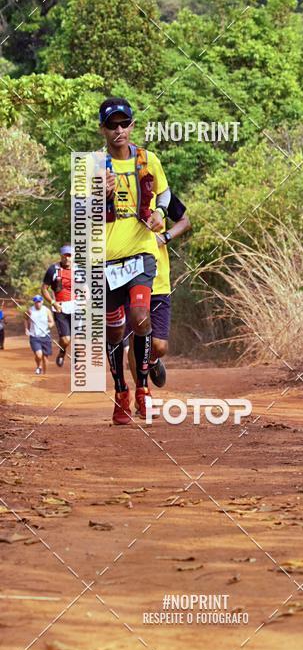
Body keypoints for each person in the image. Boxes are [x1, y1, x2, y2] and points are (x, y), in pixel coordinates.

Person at [99, 97, 170, 425]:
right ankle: (120, 391)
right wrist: (100, 196)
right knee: (114, 333)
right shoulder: (92, 167)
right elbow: (80, 215)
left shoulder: (148, 159)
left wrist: (160, 212)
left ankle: (142, 388)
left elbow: (165, 193)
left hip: (141, 255)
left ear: (132, 125)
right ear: (102, 129)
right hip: (107, 261)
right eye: (112, 125)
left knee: (140, 317)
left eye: (124, 123)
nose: (119, 130)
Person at [126, 193, 191, 389]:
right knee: (135, 337)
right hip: (128, 277)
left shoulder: (161, 194)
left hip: (158, 280)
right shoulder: (120, 194)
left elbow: (185, 221)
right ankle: (142, 393)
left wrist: (165, 237)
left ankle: (153, 360)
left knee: (159, 346)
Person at [41, 245, 73, 367]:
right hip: (60, 307)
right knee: (66, 339)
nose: (67, 258)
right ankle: (62, 352)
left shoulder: (79, 270)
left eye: (69, 255)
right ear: (61, 256)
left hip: (77, 307)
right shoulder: (53, 270)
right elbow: (44, 289)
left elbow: (85, 287)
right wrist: (53, 302)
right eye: (65, 255)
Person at [24, 295, 54, 375]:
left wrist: (50, 325)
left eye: (39, 302)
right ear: (34, 302)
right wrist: (26, 329)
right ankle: (38, 367)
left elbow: (52, 322)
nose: (38, 304)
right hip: (34, 336)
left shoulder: (46, 310)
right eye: (36, 302)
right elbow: (25, 319)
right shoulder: (30, 310)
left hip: (45, 336)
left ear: (42, 302)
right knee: (39, 355)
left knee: (45, 358)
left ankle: (44, 375)